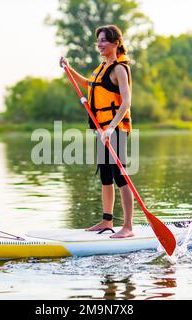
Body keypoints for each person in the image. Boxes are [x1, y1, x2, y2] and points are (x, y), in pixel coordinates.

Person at [59, 25, 134, 238]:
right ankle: (106, 221)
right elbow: (86, 84)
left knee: (121, 177)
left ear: (116, 43)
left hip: (115, 129)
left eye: (103, 40)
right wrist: (68, 68)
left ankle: (128, 227)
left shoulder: (119, 68)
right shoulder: (102, 67)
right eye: (98, 40)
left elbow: (126, 102)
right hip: (102, 130)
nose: (99, 44)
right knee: (106, 176)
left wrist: (111, 128)